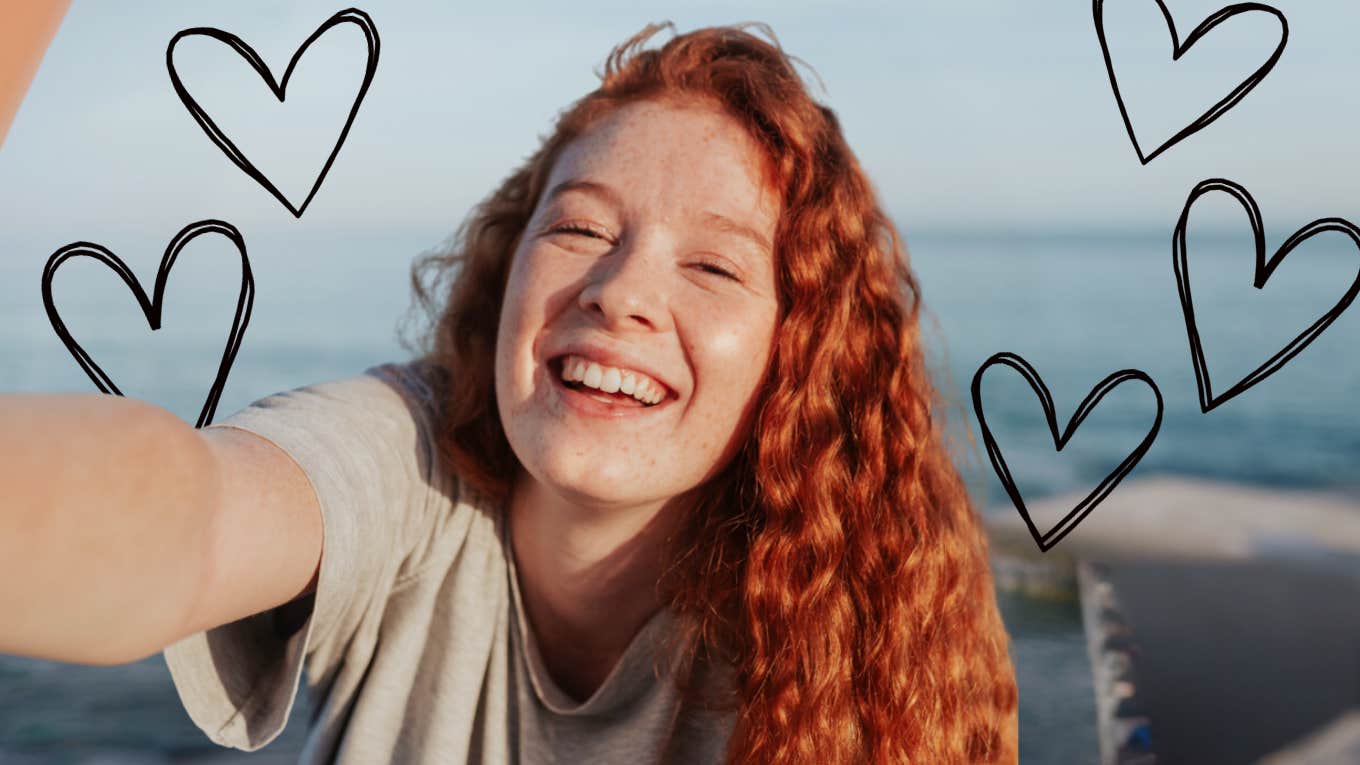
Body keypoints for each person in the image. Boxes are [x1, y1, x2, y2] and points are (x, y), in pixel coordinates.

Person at [0, 21, 1018, 764]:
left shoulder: (852, 634)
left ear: (799, 358)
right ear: (506, 270)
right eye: (578, 229)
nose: (619, 293)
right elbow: (188, 518)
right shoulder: (408, 459)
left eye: (713, 268)